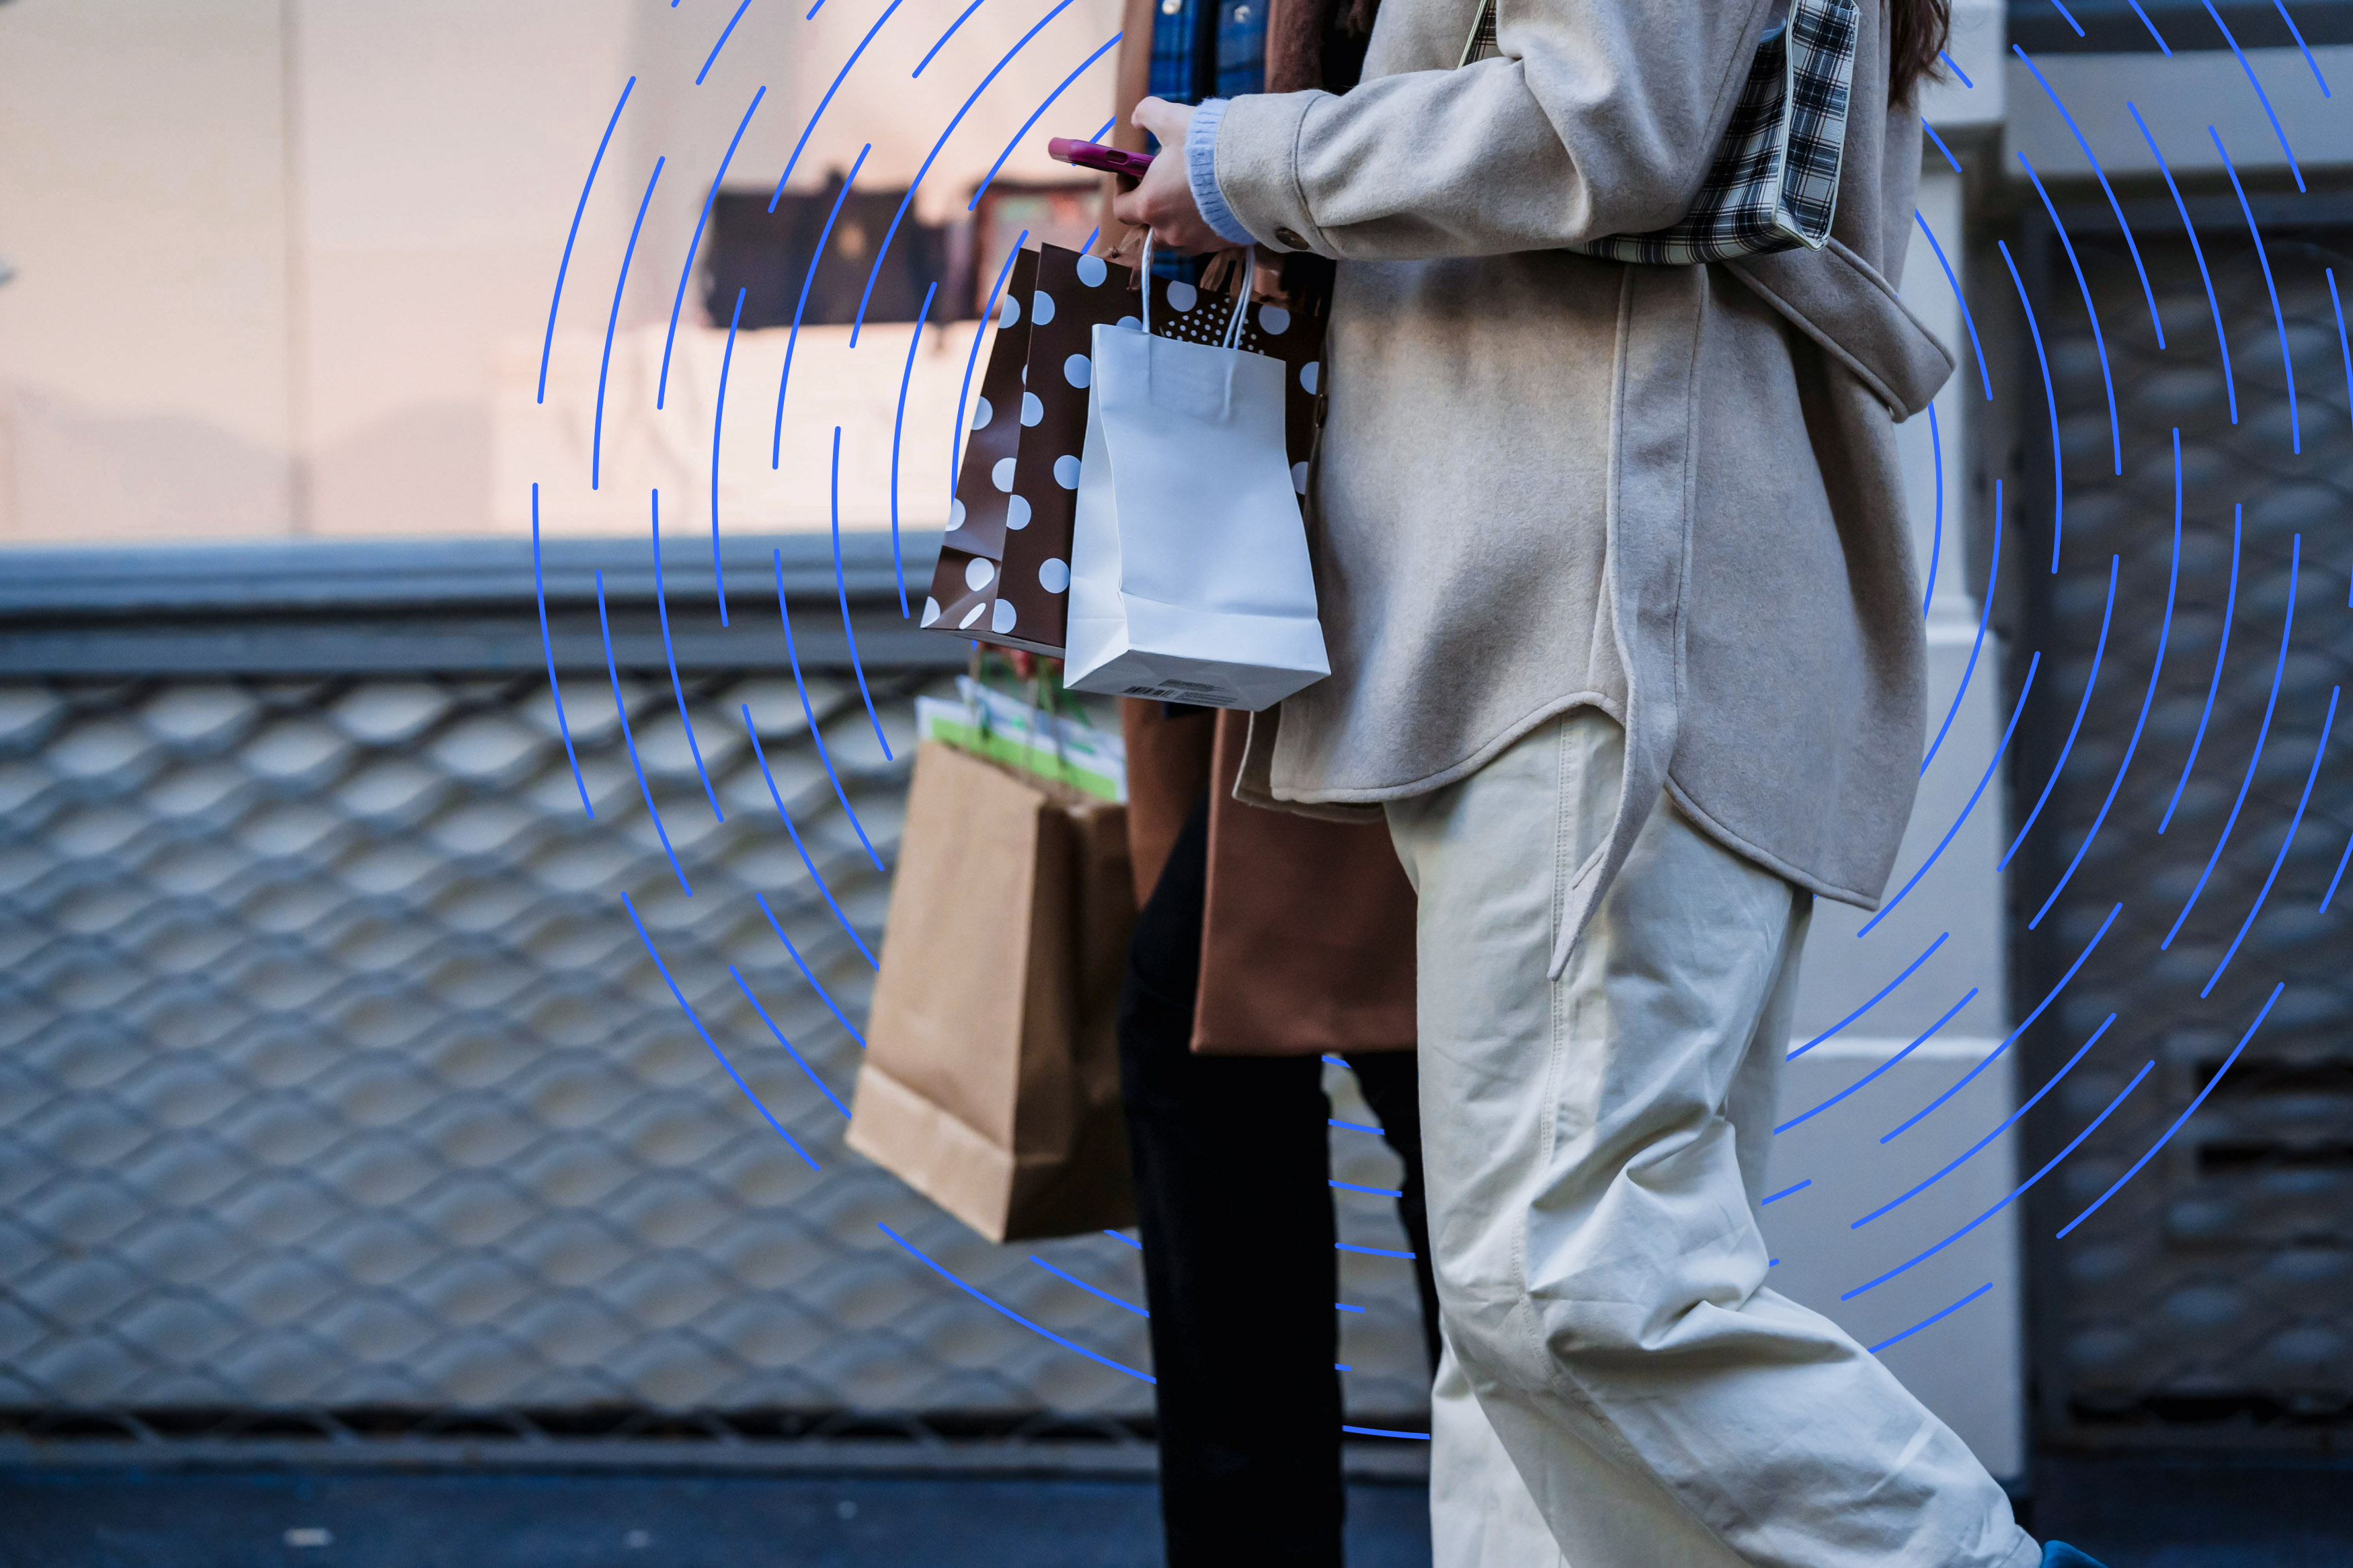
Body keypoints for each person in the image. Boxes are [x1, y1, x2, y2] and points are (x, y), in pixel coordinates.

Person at [1111, 1, 2112, 1565]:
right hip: (1527, 591)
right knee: (1516, 1378)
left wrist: (1251, 159)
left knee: (1572, 1284)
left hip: (1596, 590)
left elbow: (1603, 123)